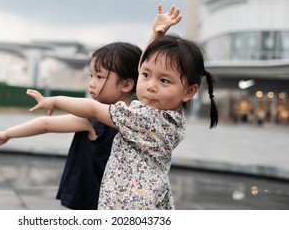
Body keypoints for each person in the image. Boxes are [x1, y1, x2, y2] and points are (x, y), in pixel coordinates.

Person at [0, 3, 182, 209]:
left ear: (127, 84)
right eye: (91, 75)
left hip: (100, 200)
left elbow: (47, 123)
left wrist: (9, 133)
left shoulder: (118, 117)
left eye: (100, 76)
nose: (92, 82)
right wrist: (8, 133)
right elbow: (46, 124)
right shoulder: (131, 118)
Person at [26, 25, 218, 209]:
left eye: (164, 80)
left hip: (127, 204)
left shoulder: (144, 119)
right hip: (149, 198)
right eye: (145, 76)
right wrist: (155, 35)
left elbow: (93, 110)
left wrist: (55, 101)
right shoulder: (172, 117)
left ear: (189, 91)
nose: (151, 85)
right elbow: (143, 66)